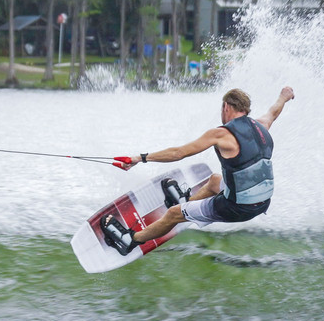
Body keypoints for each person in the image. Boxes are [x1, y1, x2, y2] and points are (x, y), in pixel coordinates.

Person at [101, 86, 296, 255]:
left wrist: (139, 158)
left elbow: (179, 153)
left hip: (236, 207)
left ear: (226, 107)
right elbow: (273, 111)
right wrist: (283, 97)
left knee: (173, 214)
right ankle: (189, 203)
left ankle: (131, 240)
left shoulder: (221, 134)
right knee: (214, 181)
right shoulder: (262, 126)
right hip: (262, 203)